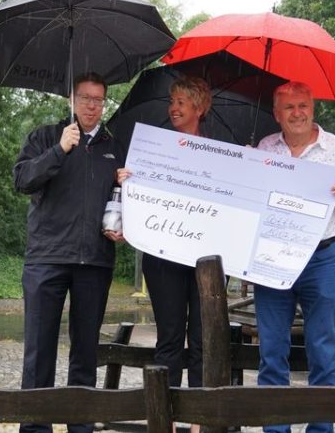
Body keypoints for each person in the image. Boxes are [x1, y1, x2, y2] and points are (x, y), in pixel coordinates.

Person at [254, 81, 335, 433]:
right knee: (272, 349)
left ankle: (320, 429)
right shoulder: (264, 147)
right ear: (276, 114)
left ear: (313, 108)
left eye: (303, 105)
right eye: (289, 108)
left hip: (321, 257)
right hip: (274, 256)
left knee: (323, 349)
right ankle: (276, 429)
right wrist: (248, 167)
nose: (297, 113)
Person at [13, 72, 124, 433]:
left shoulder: (114, 146)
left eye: (98, 99)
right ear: (72, 100)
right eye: (85, 98)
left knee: (85, 354)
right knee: (39, 352)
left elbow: (123, 206)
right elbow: (22, 180)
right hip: (46, 259)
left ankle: (81, 427)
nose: (92, 106)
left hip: (94, 261)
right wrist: (59, 150)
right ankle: (35, 428)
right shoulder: (46, 136)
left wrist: (125, 212)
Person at [117, 76, 212, 433]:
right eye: (171, 101)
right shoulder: (151, 150)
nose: (173, 108)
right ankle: (166, 419)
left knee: (204, 340)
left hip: (205, 262)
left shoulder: (221, 153)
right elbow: (137, 202)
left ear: (200, 108)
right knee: (170, 338)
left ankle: (202, 419)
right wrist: (128, 181)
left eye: (182, 102)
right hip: (163, 259)